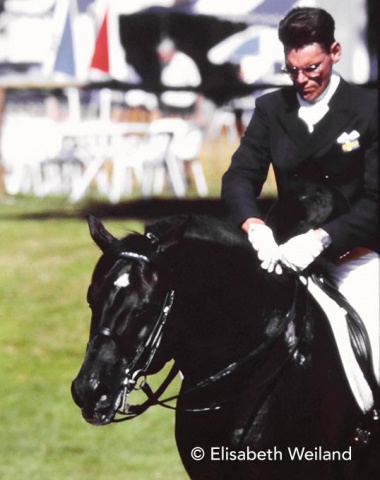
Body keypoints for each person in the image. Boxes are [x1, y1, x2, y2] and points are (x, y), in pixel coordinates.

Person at [221, 7, 379, 383]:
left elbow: (376, 201)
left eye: (312, 68)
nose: (302, 80)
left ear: (334, 52)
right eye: (292, 70)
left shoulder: (369, 110)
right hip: (282, 253)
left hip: (350, 257)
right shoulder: (271, 109)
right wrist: (254, 225)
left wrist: (324, 238)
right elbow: (240, 177)